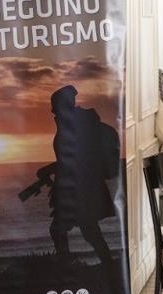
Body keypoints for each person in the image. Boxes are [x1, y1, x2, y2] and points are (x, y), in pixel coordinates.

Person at [35, 85, 118, 264]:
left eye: (55, 106)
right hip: (75, 188)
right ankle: (103, 263)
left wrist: (48, 170)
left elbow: (75, 160)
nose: (52, 111)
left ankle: (68, 264)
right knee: (87, 231)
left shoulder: (75, 126)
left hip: (78, 189)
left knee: (71, 230)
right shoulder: (75, 124)